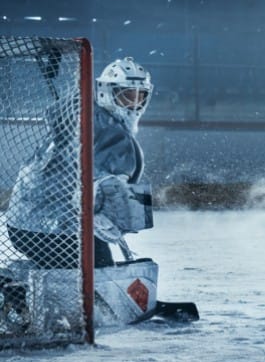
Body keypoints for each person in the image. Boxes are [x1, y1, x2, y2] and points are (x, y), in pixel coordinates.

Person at [5, 57, 154, 270]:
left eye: (140, 96)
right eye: (127, 96)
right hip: (53, 229)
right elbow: (102, 194)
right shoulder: (112, 134)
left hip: (21, 224)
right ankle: (25, 292)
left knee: (91, 257)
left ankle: (23, 286)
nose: (135, 104)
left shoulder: (80, 108)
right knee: (98, 272)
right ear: (106, 92)